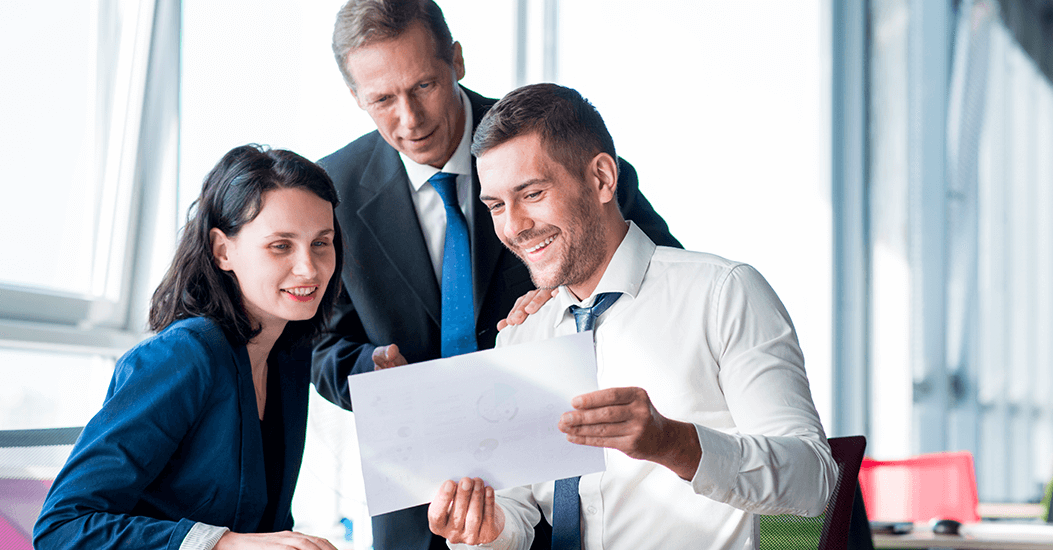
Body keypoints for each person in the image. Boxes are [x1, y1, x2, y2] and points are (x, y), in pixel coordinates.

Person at [312, 1, 681, 549]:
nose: (410, 119)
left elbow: (659, 279)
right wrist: (368, 370)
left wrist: (570, 291)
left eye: (424, 85)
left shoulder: (550, 143)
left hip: (564, 483)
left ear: (456, 61)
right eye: (383, 100)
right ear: (355, 97)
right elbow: (320, 344)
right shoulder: (332, 191)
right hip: (418, 505)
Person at [425, 83, 840, 550]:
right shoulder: (523, 335)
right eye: (497, 206)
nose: (513, 226)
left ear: (602, 178)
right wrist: (484, 529)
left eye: (533, 193)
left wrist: (677, 445)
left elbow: (813, 481)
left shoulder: (722, 293)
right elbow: (516, 515)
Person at [34, 145, 344, 550]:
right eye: (281, 246)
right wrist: (222, 544)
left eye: (321, 243)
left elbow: (263, 523)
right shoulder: (184, 355)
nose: (309, 267)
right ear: (223, 251)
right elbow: (62, 528)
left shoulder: (288, 357)